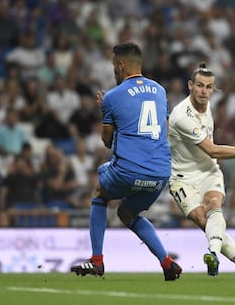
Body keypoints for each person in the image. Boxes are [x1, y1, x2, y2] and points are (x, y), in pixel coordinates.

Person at [70, 42, 182, 281]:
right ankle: (166, 262)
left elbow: (107, 142)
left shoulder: (112, 96)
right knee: (126, 212)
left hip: (129, 171)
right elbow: (164, 130)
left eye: (114, 66)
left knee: (100, 191)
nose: (113, 70)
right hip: (161, 173)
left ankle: (97, 260)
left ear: (121, 65)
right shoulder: (161, 91)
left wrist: (106, 113)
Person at [168, 62, 235, 280]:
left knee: (214, 204)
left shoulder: (207, 104)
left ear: (213, 89)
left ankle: (214, 255)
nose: (204, 91)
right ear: (190, 85)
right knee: (206, 222)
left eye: (209, 87)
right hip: (182, 179)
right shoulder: (182, 116)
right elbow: (212, 149)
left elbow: (210, 151)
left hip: (209, 172)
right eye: (200, 86)